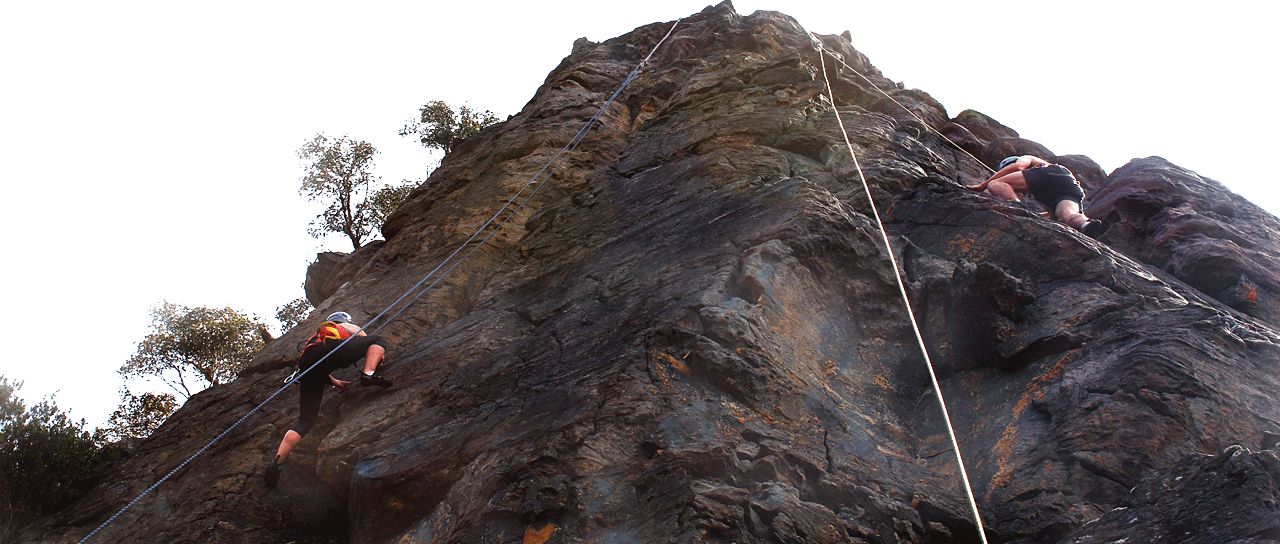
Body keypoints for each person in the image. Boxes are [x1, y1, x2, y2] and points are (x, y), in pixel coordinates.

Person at [264, 311, 392, 488]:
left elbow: (320, 365)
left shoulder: (316, 336)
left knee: (305, 422)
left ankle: (276, 463)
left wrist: (338, 384)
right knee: (378, 340)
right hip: (336, 349)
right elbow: (367, 343)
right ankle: (368, 375)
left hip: (308, 364)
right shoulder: (347, 327)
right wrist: (378, 359)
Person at [967, 155, 1105, 238]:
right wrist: (1031, 216)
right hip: (1069, 186)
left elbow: (1018, 167)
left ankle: (1014, 204)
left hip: (1051, 173)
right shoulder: (1041, 192)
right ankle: (1086, 224)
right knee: (1065, 216)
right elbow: (1050, 216)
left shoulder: (1028, 159)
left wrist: (983, 186)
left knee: (995, 184)